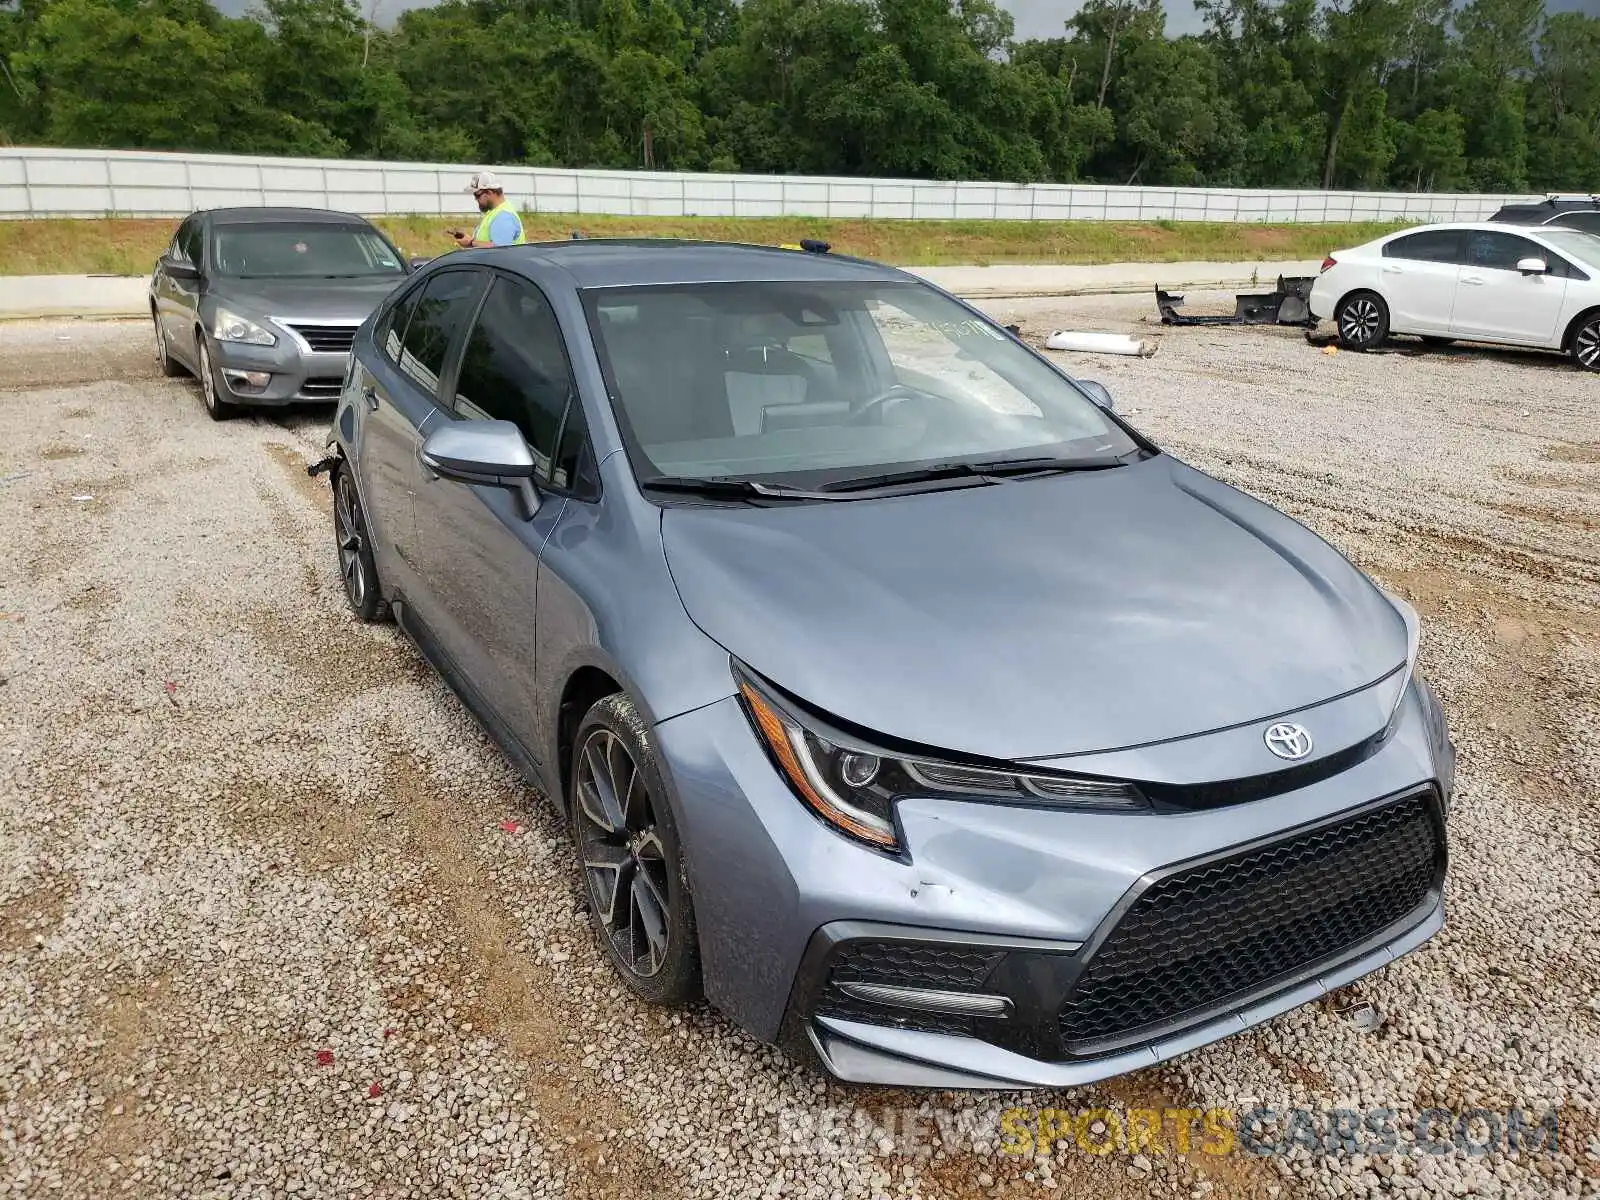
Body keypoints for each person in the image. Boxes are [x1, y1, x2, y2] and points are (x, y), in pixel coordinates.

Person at [450, 171, 526, 249]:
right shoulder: (494, 212)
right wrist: (470, 241)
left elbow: (499, 249)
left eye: (477, 195)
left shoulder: (503, 216)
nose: (475, 199)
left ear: (489, 193)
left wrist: (472, 242)